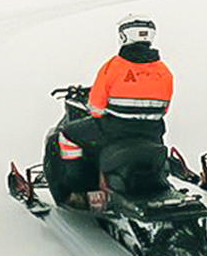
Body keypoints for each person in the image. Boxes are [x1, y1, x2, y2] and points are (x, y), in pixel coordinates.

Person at [45, 15, 173, 205]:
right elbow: (165, 108)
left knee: (66, 135)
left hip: (115, 130)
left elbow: (96, 108)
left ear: (123, 37)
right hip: (151, 132)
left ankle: (79, 190)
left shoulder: (113, 67)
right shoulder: (165, 72)